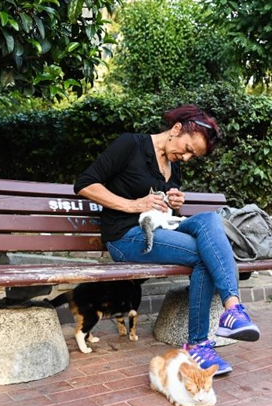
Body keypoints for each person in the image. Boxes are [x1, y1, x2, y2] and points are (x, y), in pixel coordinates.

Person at [74, 104, 261, 375]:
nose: (185, 158)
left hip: (156, 232)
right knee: (202, 256)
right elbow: (84, 184)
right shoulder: (131, 144)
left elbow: (163, 215)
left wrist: (174, 205)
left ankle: (232, 309)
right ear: (176, 129)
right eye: (187, 148)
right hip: (124, 237)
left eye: (192, 156)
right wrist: (132, 205)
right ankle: (198, 345)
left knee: (209, 219)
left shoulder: (174, 169)